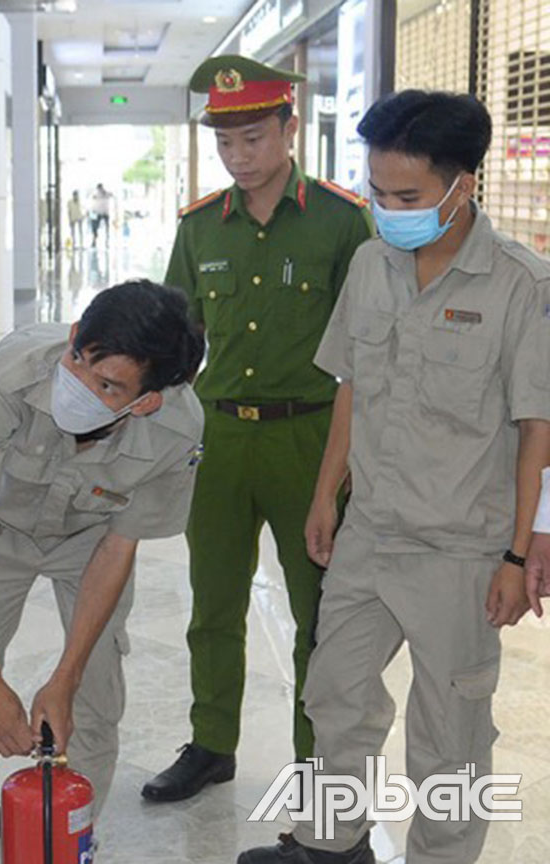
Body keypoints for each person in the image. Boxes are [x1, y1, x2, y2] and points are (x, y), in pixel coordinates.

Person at [239, 90, 550, 864]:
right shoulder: (373, 264)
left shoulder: (521, 286)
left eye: (406, 197)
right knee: (334, 696)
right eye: (377, 193)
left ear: (461, 186)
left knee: (451, 733)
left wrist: (519, 554)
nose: (387, 210)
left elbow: (538, 427)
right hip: (371, 531)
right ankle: (330, 844)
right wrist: (325, 495)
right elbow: (352, 383)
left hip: (462, 547)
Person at [0, 280, 205, 864]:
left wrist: (62, 678)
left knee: (93, 684)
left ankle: (74, 824)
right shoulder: (4, 382)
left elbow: (118, 549)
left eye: (109, 385)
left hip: (91, 539)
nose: (81, 386)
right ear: (73, 338)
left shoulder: (176, 431)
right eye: (78, 360)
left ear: (146, 400)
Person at [143, 55, 374, 805]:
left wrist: (343, 470)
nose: (239, 158)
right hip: (219, 439)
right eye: (226, 143)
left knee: (318, 609)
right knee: (213, 602)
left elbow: (366, 357)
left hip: (308, 440)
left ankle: (317, 761)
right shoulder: (200, 225)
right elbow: (178, 339)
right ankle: (212, 744)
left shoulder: (343, 222)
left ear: (289, 128)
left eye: (253, 139)